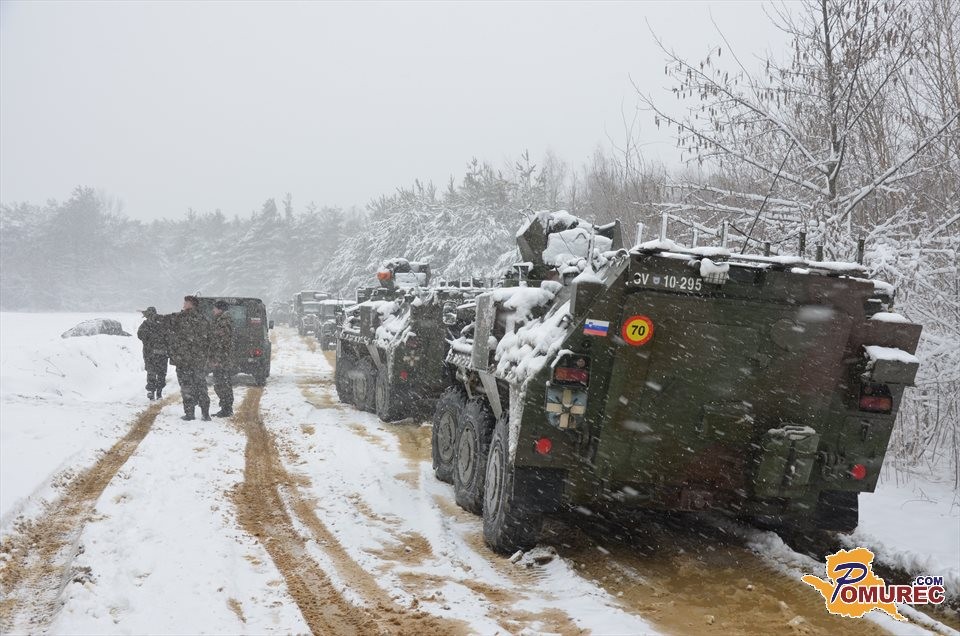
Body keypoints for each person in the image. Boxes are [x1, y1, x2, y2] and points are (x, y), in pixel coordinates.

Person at [168, 295, 211, 421]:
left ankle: (190, 413)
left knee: (187, 387)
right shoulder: (204, 319)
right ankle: (205, 413)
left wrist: (151, 315)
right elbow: (210, 340)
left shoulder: (181, 318)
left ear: (191, 304)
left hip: (184, 361)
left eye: (185, 302)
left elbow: (165, 320)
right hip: (198, 360)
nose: (183, 304)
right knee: (201, 386)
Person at [136, 307, 168, 400]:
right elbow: (168, 336)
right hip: (161, 353)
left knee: (151, 372)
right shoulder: (161, 324)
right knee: (161, 373)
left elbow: (140, 335)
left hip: (150, 353)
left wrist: (149, 337)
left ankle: (152, 391)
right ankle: (158, 392)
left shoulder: (145, 324)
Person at [210, 300, 235, 417]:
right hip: (222, 358)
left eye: (214, 308)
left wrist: (217, 360)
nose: (213, 310)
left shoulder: (223, 322)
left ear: (220, 309)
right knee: (222, 384)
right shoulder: (221, 320)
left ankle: (226, 409)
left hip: (221, 360)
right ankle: (226, 408)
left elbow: (223, 343)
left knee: (222, 384)